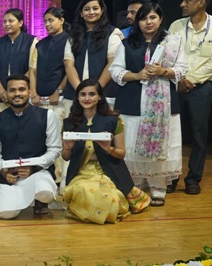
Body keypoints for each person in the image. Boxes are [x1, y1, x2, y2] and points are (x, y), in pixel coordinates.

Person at [110, 3, 187, 206]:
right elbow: (115, 71)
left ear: (160, 19)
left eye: (152, 17)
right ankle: (133, 186)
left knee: (161, 145)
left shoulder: (172, 42)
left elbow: (182, 68)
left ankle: (158, 187)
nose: (148, 22)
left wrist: (164, 72)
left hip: (164, 106)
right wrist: (136, 75)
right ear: (138, 22)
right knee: (131, 144)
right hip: (133, 101)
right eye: (143, 18)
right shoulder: (127, 44)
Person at [167, 0, 212, 195]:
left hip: (201, 88)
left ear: (201, 3)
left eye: (187, 0)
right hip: (176, 85)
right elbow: (169, 56)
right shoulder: (176, 26)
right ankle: (171, 177)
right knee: (173, 134)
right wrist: (180, 79)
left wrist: (191, 79)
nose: (182, 4)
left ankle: (193, 178)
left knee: (198, 135)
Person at [62, 80, 151, 224]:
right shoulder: (69, 123)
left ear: (99, 97)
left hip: (109, 171)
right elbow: (66, 157)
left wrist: (108, 149)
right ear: (77, 97)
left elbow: (121, 153)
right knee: (85, 191)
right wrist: (68, 148)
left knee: (110, 198)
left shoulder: (113, 120)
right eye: (83, 94)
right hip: (82, 172)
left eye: (92, 94)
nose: (87, 98)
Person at [0, 74, 62, 219]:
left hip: (38, 172)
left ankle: (40, 201)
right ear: (6, 93)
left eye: (21, 89)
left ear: (29, 92)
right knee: (5, 214)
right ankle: (26, 199)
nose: (17, 94)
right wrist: (4, 172)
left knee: (45, 193)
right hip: (10, 176)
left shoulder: (47, 115)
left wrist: (33, 168)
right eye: (12, 90)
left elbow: (55, 149)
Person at [29, 7, 71, 183]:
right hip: (40, 101)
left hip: (60, 100)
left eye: (51, 20)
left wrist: (58, 91)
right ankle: (45, 176)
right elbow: (32, 70)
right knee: (41, 138)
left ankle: (61, 179)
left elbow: (70, 70)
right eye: (45, 21)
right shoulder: (40, 44)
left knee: (60, 139)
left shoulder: (70, 40)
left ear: (61, 20)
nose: (47, 24)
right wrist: (33, 94)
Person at [63, 0, 123, 107]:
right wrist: (81, 91)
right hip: (75, 94)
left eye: (95, 8)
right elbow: (68, 64)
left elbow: (112, 63)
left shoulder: (113, 33)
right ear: (81, 13)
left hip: (104, 94)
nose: (91, 12)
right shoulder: (73, 35)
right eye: (86, 9)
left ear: (102, 10)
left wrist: (95, 91)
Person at [0, 9, 38, 114]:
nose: (7, 24)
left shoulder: (32, 41)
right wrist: (3, 92)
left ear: (20, 23)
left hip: (23, 94)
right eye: (5, 21)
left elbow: (32, 69)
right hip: (3, 97)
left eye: (11, 21)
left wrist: (15, 89)